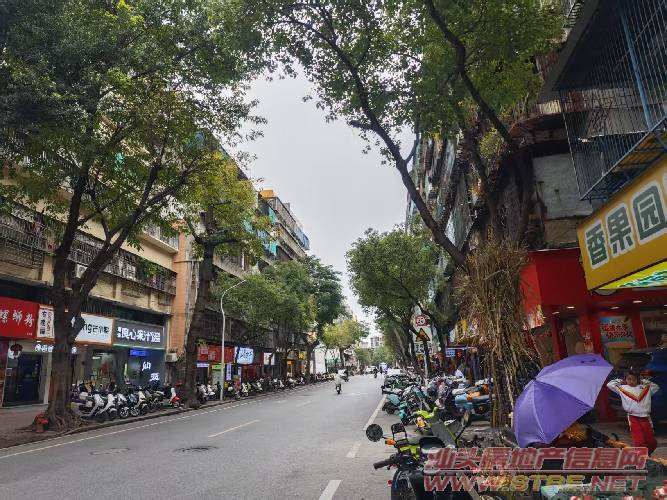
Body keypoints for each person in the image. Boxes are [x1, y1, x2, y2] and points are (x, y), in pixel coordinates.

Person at [607, 369, 659, 454]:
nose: (631, 381)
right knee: (639, 441)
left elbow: (656, 387)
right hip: (633, 418)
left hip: (646, 418)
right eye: (629, 379)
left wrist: (643, 380)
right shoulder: (623, 388)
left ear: (637, 379)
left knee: (652, 442)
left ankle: (647, 454)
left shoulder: (645, 388)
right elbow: (610, 384)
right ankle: (642, 456)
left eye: (634, 379)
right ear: (626, 379)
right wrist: (621, 380)